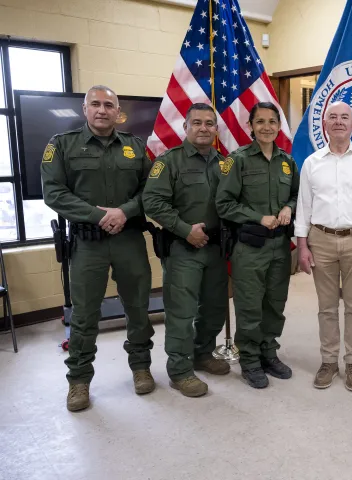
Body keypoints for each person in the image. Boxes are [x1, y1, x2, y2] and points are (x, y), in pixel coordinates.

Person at [41, 85, 154, 412]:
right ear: (85, 109)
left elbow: (151, 190)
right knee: (85, 314)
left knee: (137, 306)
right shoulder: (62, 146)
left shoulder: (136, 147)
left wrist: (124, 212)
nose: (102, 110)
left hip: (129, 239)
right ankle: (78, 380)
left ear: (118, 111)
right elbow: (54, 193)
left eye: (109, 105)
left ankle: (141, 367)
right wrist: (97, 216)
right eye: (95, 104)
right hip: (88, 243)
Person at [295, 101, 352, 392]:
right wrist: (303, 247)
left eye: (344, 117)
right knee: (326, 307)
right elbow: (303, 208)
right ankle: (329, 362)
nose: (338, 122)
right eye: (332, 117)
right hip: (320, 240)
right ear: (325, 124)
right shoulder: (312, 163)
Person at [142, 103, 230, 397]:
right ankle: (179, 370)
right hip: (183, 249)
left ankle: (203, 353)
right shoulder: (169, 162)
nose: (203, 128)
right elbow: (152, 203)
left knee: (215, 308)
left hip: (216, 249)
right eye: (197, 123)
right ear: (186, 127)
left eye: (209, 123)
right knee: (182, 312)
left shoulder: (224, 163)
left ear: (216, 129)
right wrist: (184, 230)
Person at [215, 102, 299, 389]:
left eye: (272, 121)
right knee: (250, 306)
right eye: (260, 121)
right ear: (250, 126)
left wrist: (289, 207)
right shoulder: (236, 160)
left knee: (275, 305)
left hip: (280, 248)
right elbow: (223, 204)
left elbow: (298, 195)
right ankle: (249, 359)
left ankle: (268, 352)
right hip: (250, 248)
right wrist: (257, 217)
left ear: (279, 126)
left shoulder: (287, 161)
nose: (266, 127)